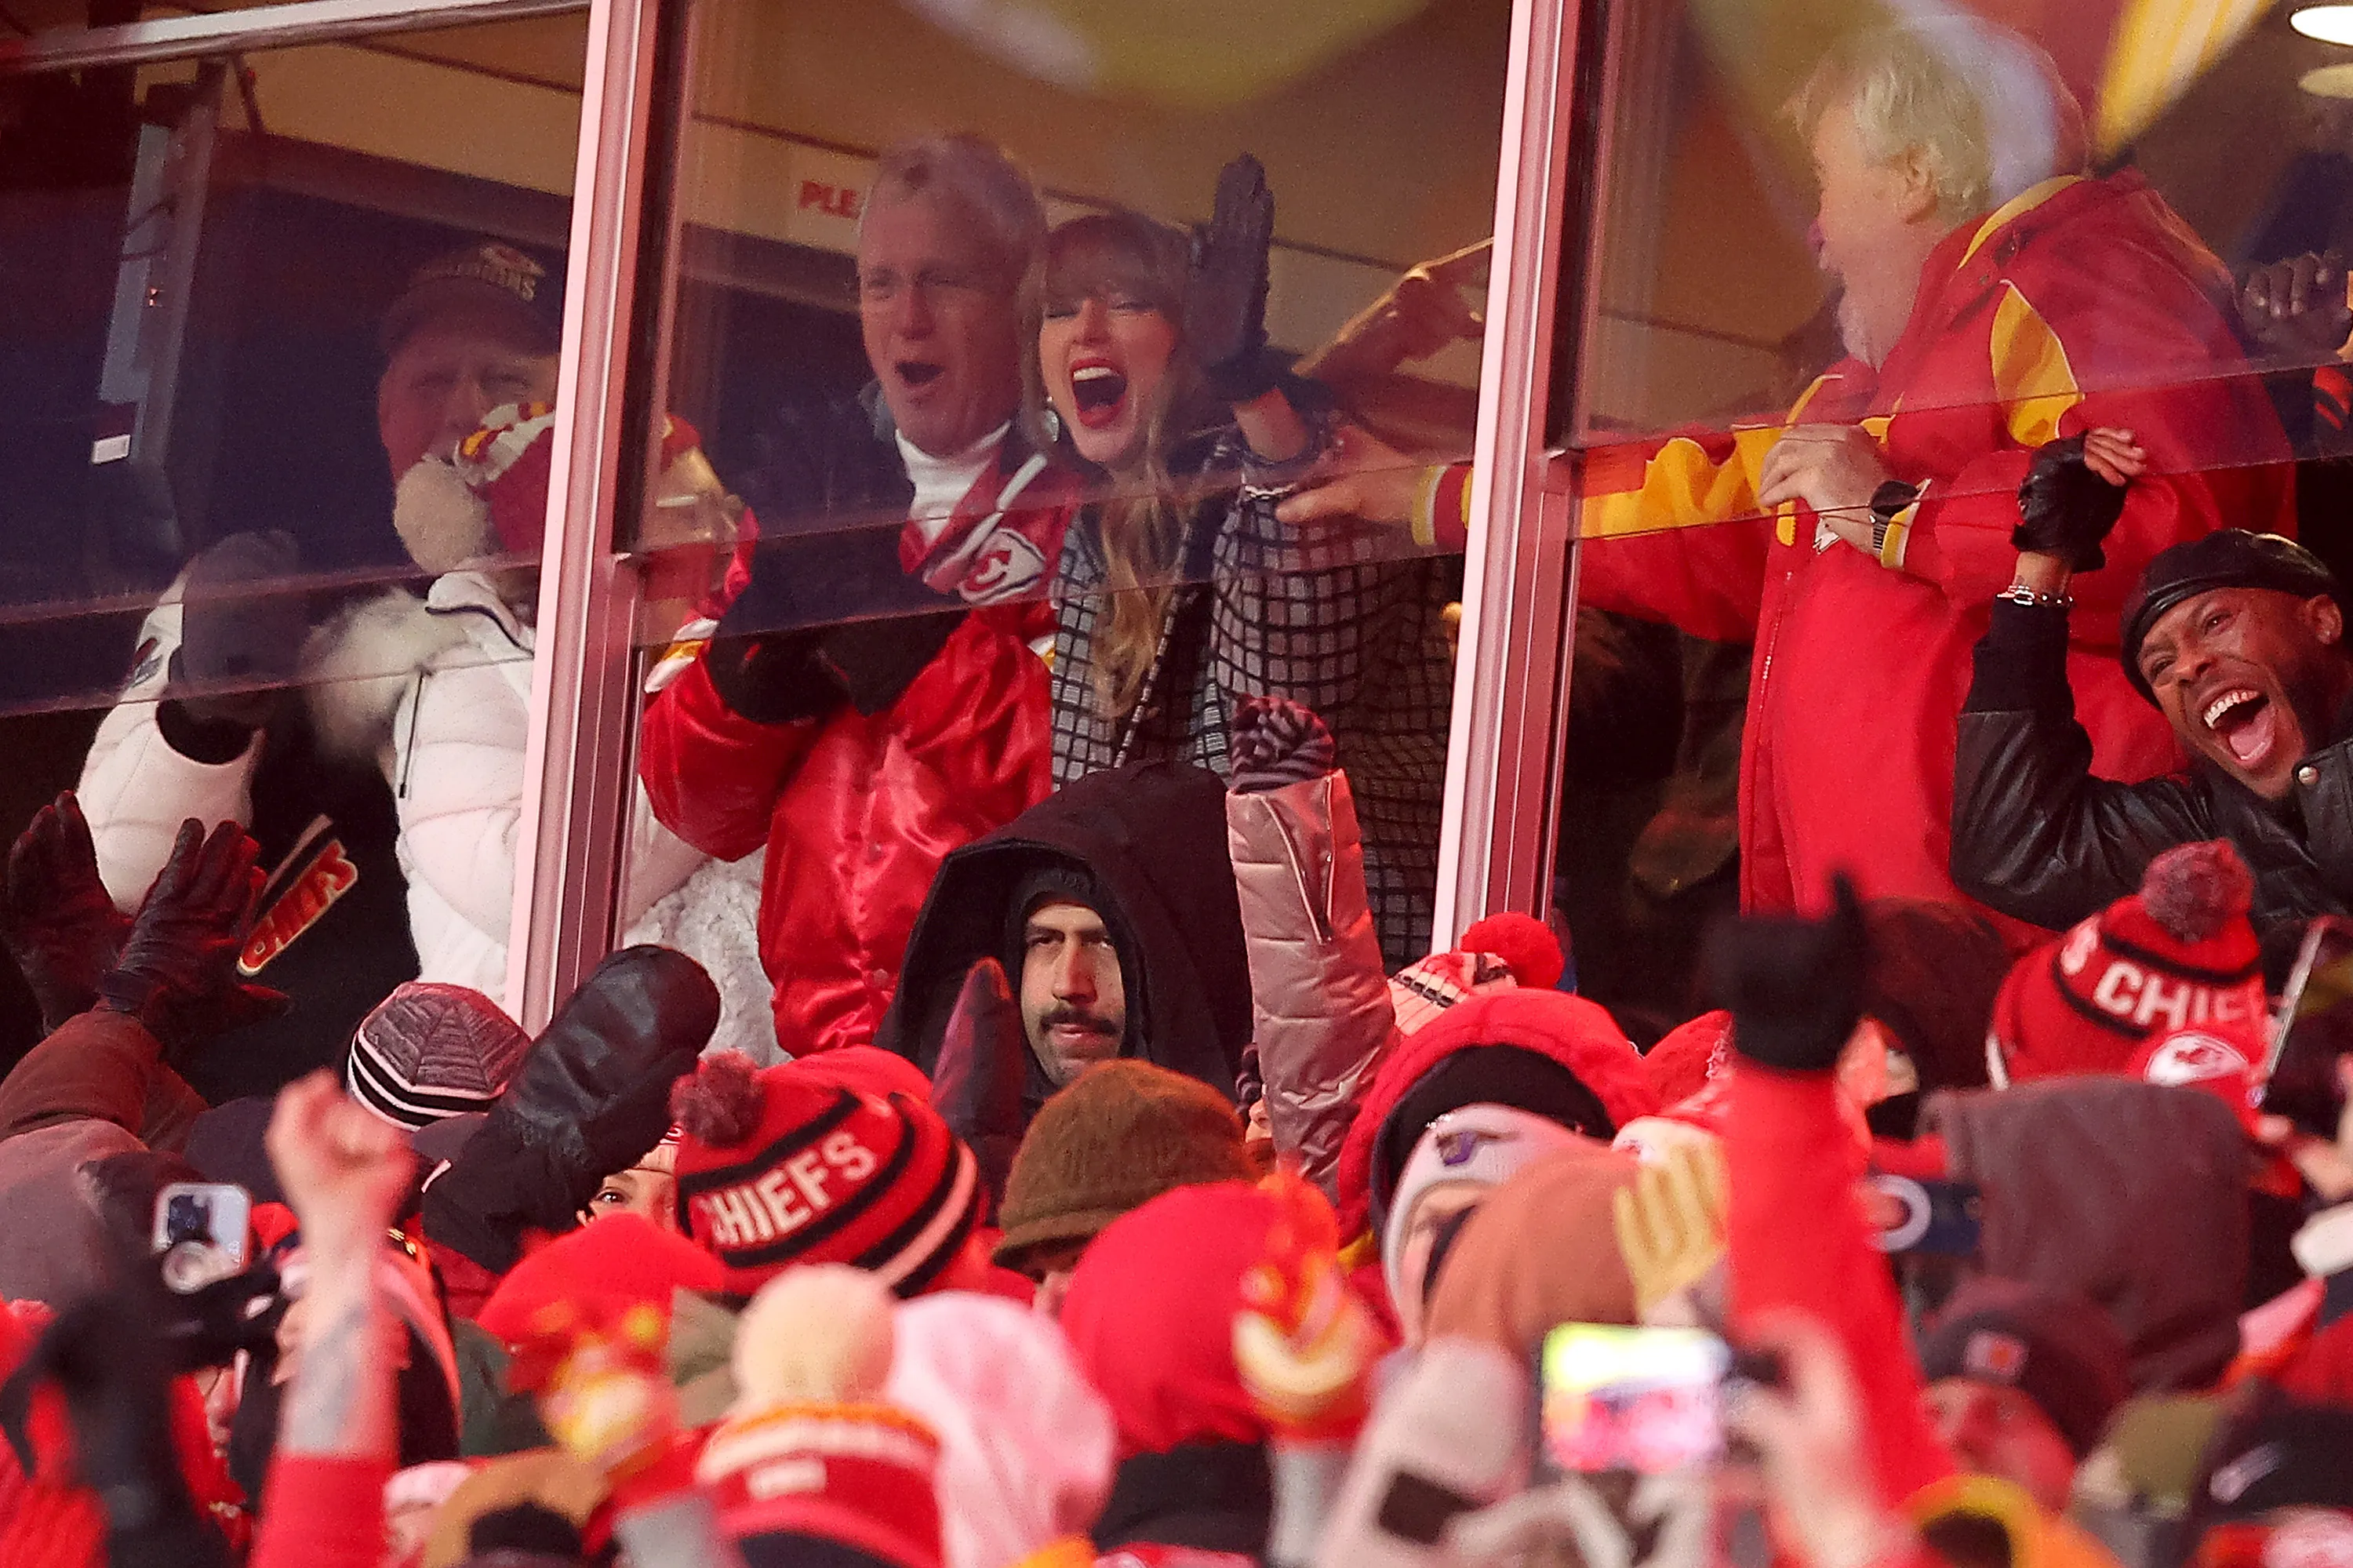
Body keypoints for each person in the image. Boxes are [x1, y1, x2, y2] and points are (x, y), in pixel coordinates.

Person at [1285, 17, 2293, 930]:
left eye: (1824, 180)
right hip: (1922, 947)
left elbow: (2172, 539)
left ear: (1910, 174)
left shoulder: (2080, 286)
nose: (1816, 229)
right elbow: (1696, 507)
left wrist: (1897, 511)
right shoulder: (1887, 380)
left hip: (2032, 952)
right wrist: (1434, 495)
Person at [71, 240, 566, 1101]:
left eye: (506, 385)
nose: (466, 411)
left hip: (491, 1091)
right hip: (250, 1094)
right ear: (384, 415)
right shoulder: (275, 575)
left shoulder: (610, 594)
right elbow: (112, 864)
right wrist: (202, 719)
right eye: (431, 382)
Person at [638, 133, 1073, 1057]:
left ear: (1019, 300)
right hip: (820, 1050)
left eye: (945, 281)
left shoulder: (1091, 501)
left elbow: (1075, 774)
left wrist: (904, 633)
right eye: (882, 283)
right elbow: (690, 805)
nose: (907, 317)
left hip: (1009, 1052)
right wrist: (758, 661)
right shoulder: (814, 489)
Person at [1033, 162, 1456, 968]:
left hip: (1341, 962)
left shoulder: (1295, 461)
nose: (1086, 329)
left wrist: (1255, 396)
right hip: (1173, 964)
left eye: (1126, 302)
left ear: (1193, 342)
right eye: (1058, 311)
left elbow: (1278, 709)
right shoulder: (1095, 529)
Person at [1950, 431, 2353, 973]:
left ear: (2322, 619)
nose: (2188, 666)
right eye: (2160, 667)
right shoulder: (2209, 826)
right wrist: (2043, 563)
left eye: (2216, 622)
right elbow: (2015, 850)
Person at [875, 759, 1253, 1125]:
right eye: (1045, 941)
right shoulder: (935, 1152)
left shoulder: (1272, 1157)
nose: (1069, 985)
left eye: (1105, 943)